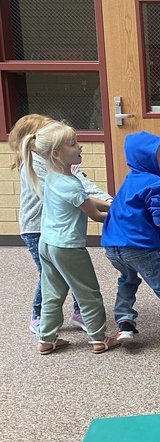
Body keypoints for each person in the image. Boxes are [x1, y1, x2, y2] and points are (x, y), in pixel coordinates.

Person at [20, 120, 119, 354]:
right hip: (67, 247)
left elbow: (85, 200)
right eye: (73, 144)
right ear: (56, 153)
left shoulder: (53, 175)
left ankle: (46, 339)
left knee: (52, 293)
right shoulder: (71, 184)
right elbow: (94, 214)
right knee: (88, 293)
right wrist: (123, 216)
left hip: (47, 243)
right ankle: (99, 339)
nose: (80, 146)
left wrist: (112, 205)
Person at [101, 131, 160, 342]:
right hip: (138, 247)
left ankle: (124, 321)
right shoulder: (155, 183)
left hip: (112, 247)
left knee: (128, 279)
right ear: (147, 160)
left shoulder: (129, 179)